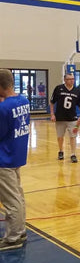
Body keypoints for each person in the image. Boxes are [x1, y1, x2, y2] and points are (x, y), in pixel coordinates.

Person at [0, 69, 30, 251]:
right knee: (17, 196)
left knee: (11, 200)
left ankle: (14, 237)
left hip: (4, 157)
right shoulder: (24, 100)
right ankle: (21, 230)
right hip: (17, 154)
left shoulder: (4, 108)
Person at [50, 73, 80, 163]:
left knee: (73, 136)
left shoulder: (77, 91)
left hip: (72, 118)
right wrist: (52, 114)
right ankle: (61, 151)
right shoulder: (58, 88)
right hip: (60, 117)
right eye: (69, 79)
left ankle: (73, 154)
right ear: (65, 80)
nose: (72, 80)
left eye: (73, 79)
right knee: (60, 136)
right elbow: (52, 102)